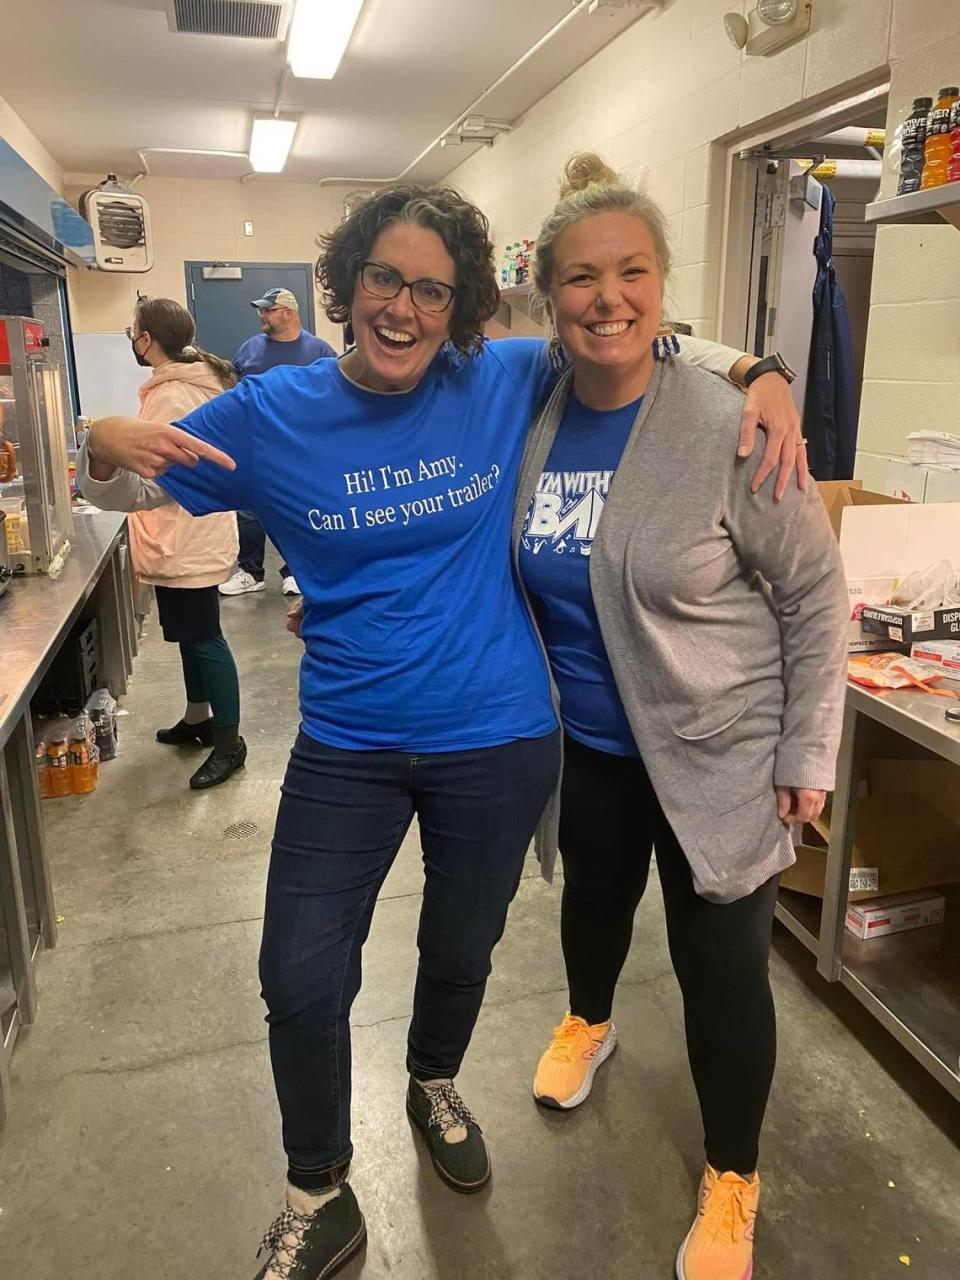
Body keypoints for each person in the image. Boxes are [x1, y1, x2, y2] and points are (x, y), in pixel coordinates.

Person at [77, 180, 806, 1280]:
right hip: (348, 742)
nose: (405, 308)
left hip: (499, 738)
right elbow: (129, 488)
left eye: (432, 289)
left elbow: (627, 333)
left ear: (461, 307)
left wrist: (766, 375)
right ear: (347, 283)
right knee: (301, 969)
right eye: (386, 279)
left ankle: (429, 1079)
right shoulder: (269, 414)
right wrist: (96, 433)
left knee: (462, 950)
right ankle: (315, 1186)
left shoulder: (499, 376)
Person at [516, 156, 849, 1280]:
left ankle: (734, 1174)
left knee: (720, 979)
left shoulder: (728, 423)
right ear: (546, 292)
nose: (607, 297)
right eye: (580, 278)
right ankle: (589, 1019)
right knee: (592, 915)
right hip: (592, 752)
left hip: (722, 759)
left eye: (631, 272)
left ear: (662, 285)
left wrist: (808, 746)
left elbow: (815, 594)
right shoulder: (539, 407)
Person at [124, 297, 246, 790]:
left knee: (204, 637)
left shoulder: (174, 394)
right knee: (190, 637)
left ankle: (230, 744)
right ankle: (198, 719)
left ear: (148, 339)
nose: (132, 341)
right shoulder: (188, 382)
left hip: (185, 533)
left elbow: (160, 468)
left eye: (133, 332)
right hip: (187, 532)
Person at [222, 287, 337, 599]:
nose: (262, 315)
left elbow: (335, 398)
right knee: (248, 511)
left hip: (301, 448)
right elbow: (233, 391)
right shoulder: (250, 349)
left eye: (268, 310)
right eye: (261, 310)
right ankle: (250, 572)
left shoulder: (319, 351)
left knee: (297, 510)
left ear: (288, 313)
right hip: (254, 445)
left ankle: (296, 571)